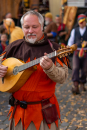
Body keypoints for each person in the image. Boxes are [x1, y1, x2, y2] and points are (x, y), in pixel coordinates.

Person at [0, 10, 69, 130]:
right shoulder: (13, 47)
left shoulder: (55, 49)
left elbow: (63, 78)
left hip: (43, 113)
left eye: (34, 27)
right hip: (18, 113)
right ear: (22, 27)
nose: (30, 31)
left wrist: (50, 68)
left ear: (42, 27)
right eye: (26, 27)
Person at [68, 14, 87, 94]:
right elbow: (70, 41)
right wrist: (69, 48)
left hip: (86, 52)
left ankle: (82, 83)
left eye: (83, 21)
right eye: (80, 21)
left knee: (85, 69)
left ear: (85, 21)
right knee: (75, 67)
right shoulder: (74, 30)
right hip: (77, 52)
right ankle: (76, 86)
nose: (81, 23)